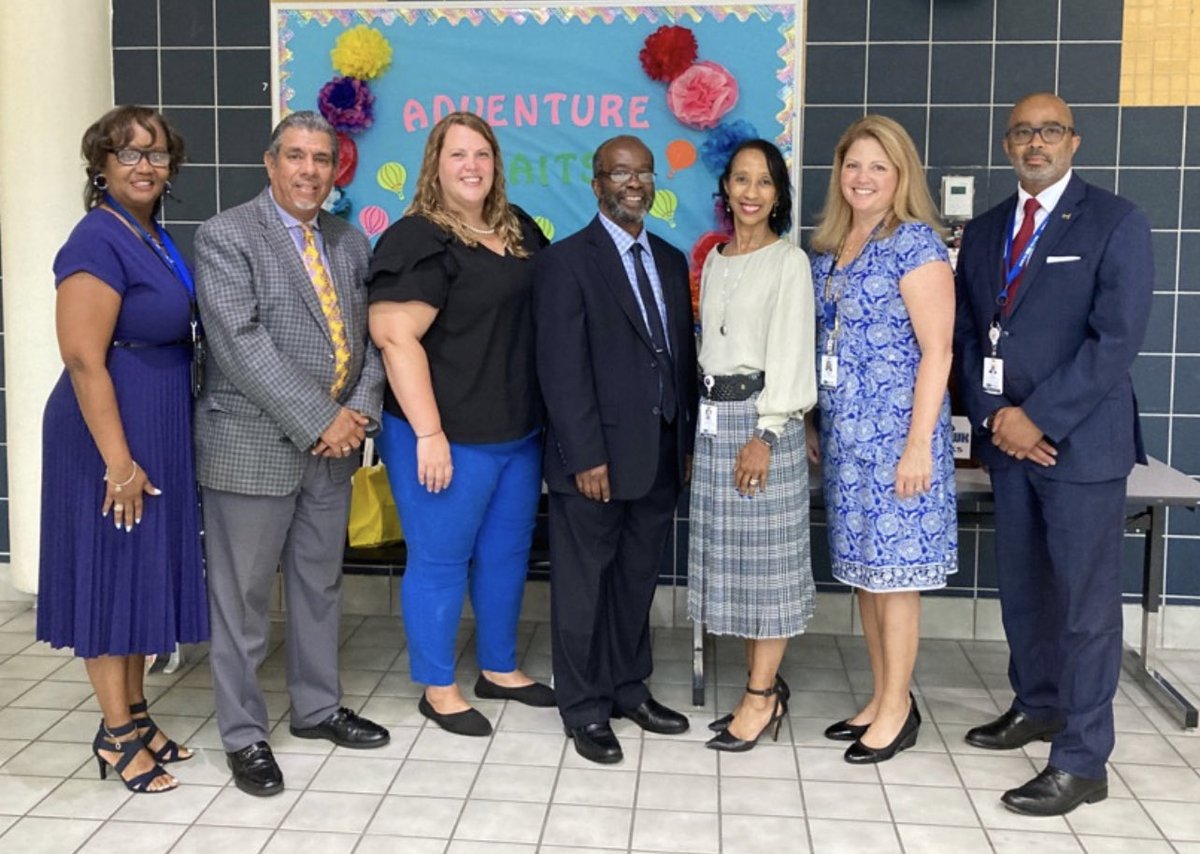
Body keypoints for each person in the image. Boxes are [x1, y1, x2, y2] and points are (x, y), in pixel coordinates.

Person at [955, 93, 1152, 817]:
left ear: (1073, 141)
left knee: (1085, 607)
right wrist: (996, 418)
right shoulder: (982, 233)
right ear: (1008, 144)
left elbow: (1116, 340)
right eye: (1022, 133)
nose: (1035, 143)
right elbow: (970, 338)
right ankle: (1037, 705)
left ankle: (1082, 759)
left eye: (1049, 132)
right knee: (1026, 593)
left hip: (1079, 450)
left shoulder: (1115, 222)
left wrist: (1037, 417)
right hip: (1010, 448)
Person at [195, 111, 390, 798]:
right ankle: (244, 735)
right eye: (297, 157)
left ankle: (315, 708)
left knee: (319, 586)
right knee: (242, 600)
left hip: (332, 450)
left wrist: (357, 415)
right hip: (251, 444)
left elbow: (367, 340)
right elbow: (241, 346)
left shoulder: (346, 240)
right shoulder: (225, 236)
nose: (310, 171)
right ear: (271, 163)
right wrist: (322, 420)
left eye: (322, 159)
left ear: (337, 170)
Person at [36, 105, 207, 794]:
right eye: (128, 153)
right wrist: (120, 462)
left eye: (157, 154)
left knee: (140, 572)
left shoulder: (150, 235)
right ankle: (114, 736)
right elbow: (82, 358)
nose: (145, 165)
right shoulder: (96, 240)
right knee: (113, 575)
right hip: (108, 431)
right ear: (100, 166)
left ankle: (137, 715)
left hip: (154, 419)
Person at [366, 112, 554, 738]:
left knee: (504, 556)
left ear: (496, 163)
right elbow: (395, 338)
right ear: (435, 166)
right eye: (457, 155)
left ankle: (497, 668)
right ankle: (438, 686)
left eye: (482, 154)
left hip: (516, 435)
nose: (471, 165)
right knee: (441, 561)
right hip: (442, 439)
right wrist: (428, 434)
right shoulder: (417, 239)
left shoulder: (517, 228)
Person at [534, 135, 698, 764]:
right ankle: (583, 707)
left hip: (659, 454)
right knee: (583, 587)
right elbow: (561, 368)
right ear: (596, 183)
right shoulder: (566, 262)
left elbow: (677, 356)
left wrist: (681, 441)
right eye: (620, 173)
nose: (634, 182)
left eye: (644, 172)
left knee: (635, 580)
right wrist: (585, 455)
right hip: (594, 461)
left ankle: (629, 688)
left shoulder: (672, 258)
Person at [807, 115, 957, 765]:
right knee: (869, 577)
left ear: (900, 177)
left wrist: (920, 444)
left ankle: (898, 708)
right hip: (847, 443)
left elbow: (938, 350)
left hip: (899, 442)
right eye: (853, 165)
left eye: (878, 167)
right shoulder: (833, 249)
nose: (862, 177)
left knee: (896, 580)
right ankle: (880, 695)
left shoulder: (914, 244)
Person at [687, 139, 816, 752]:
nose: (750, 192)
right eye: (740, 180)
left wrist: (766, 434)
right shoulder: (715, 259)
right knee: (735, 567)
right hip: (714, 422)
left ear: (778, 194)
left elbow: (791, 353)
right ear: (726, 189)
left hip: (765, 424)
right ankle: (761, 686)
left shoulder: (788, 261)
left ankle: (760, 698)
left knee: (767, 570)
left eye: (764, 182)